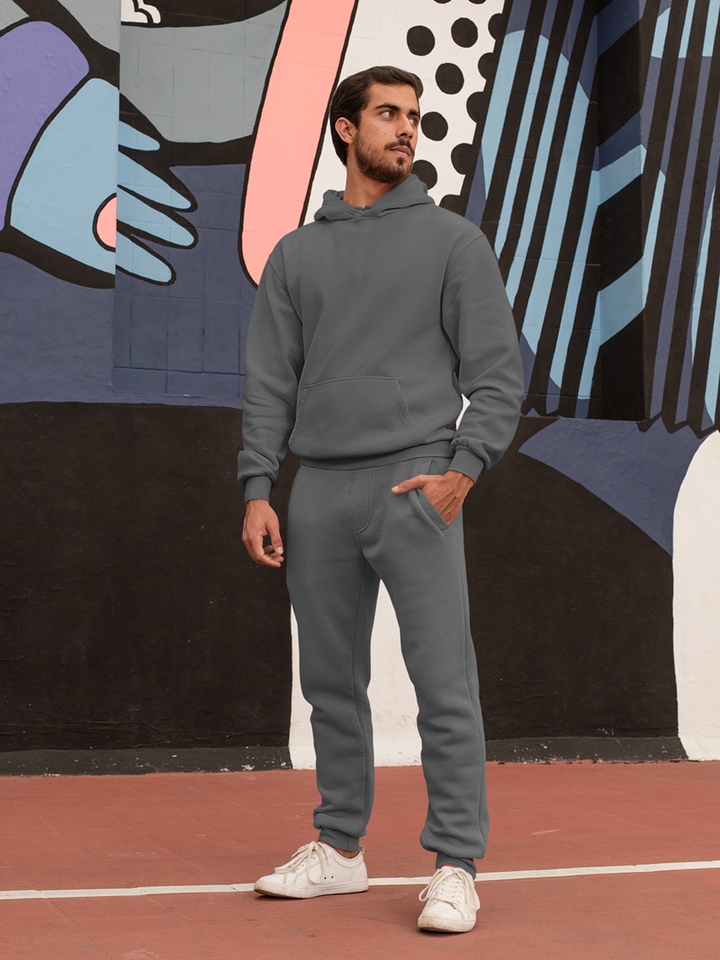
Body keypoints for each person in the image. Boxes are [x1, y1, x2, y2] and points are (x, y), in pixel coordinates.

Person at [237, 65, 524, 934]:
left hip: (416, 485)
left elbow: (498, 375)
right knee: (330, 683)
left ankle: (456, 865)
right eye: (389, 114)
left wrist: (462, 469)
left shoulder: (453, 243)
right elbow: (269, 382)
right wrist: (259, 486)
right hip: (319, 488)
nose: (406, 129)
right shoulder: (296, 255)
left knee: (444, 684)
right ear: (344, 128)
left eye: (415, 117)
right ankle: (339, 849)